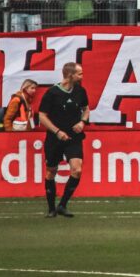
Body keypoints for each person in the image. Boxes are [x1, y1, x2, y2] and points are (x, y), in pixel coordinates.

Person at [37, 63, 90, 217]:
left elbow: (86, 108)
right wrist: (57, 131)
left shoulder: (80, 91)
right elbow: (42, 116)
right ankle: (51, 209)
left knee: (77, 169)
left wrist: (82, 122)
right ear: (70, 75)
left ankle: (63, 205)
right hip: (55, 138)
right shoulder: (52, 93)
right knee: (51, 171)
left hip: (73, 138)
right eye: (79, 73)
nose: (82, 76)